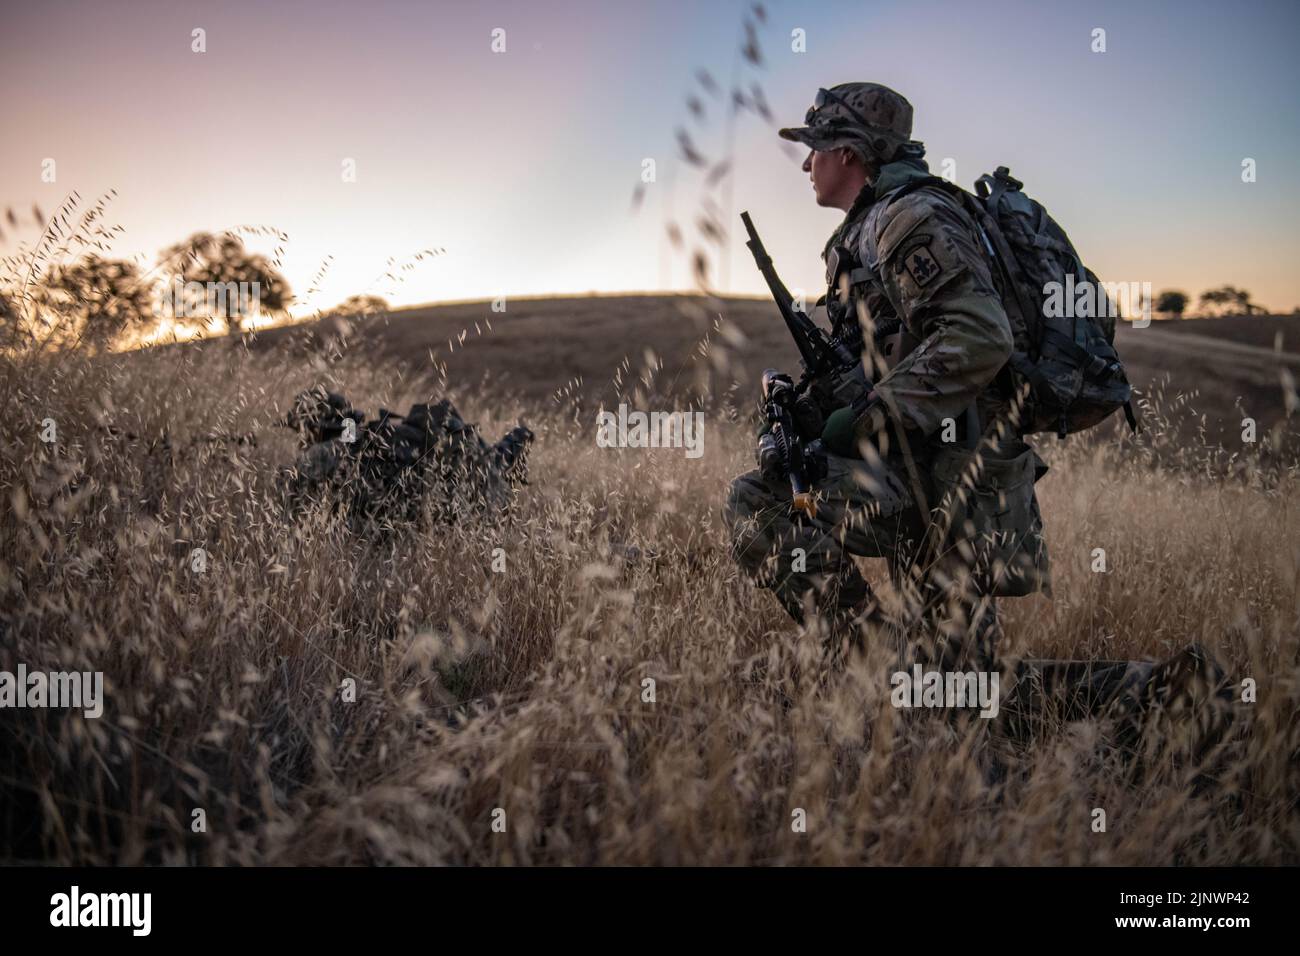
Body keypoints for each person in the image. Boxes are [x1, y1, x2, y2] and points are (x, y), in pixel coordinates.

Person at [726, 82, 1047, 674]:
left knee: (958, 697)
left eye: (816, 146)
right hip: (916, 467)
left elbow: (981, 336)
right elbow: (895, 355)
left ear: (849, 152)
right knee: (952, 689)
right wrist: (819, 408)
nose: (806, 162)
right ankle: (883, 673)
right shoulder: (871, 226)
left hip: (952, 479)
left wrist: (870, 414)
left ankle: (1162, 695)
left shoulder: (908, 218)